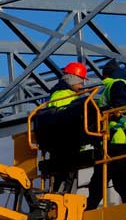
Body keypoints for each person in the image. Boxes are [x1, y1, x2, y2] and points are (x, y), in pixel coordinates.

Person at [86, 59, 126, 207]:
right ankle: (91, 209)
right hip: (112, 138)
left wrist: (103, 113)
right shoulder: (112, 86)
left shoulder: (117, 84)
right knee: (105, 178)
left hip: (118, 137)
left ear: (106, 75)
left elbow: (121, 108)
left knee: (110, 177)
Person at [36, 61, 96, 194]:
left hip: (61, 142)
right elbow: (67, 115)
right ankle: (62, 199)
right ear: (72, 79)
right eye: (81, 82)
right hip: (64, 142)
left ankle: (63, 198)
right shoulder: (63, 94)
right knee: (65, 176)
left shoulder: (62, 93)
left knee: (66, 175)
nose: (82, 86)